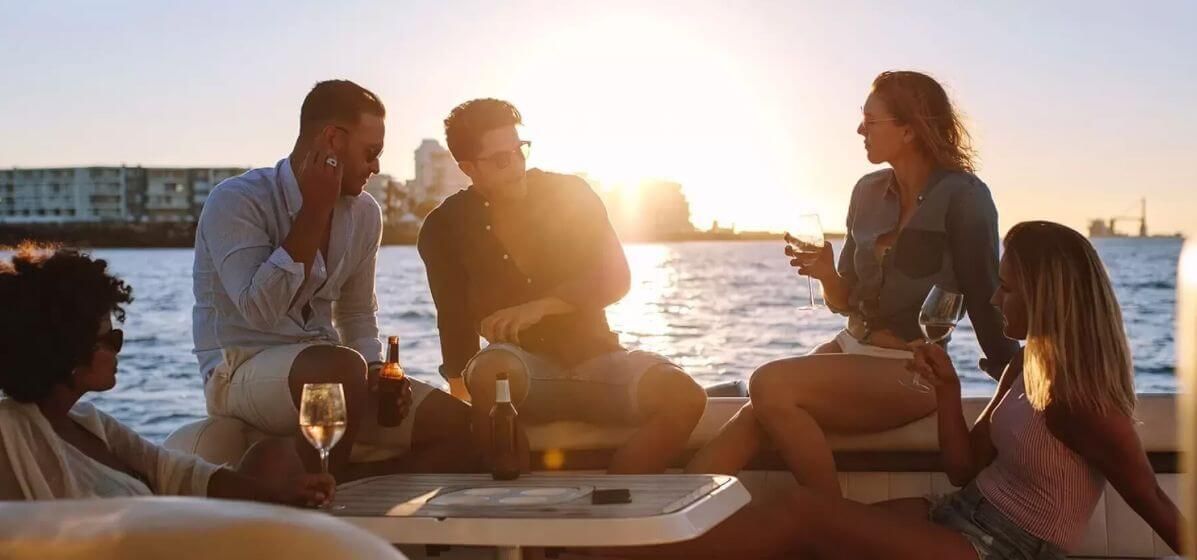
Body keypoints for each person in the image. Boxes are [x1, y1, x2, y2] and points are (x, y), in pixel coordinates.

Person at [612, 221, 1182, 559]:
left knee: (803, 514)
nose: (992, 299)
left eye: (1007, 289)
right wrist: (947, 390)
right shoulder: (1027, 367)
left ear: (1047, 296)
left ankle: (625, 555)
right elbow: (962, 467)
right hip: (961, 513)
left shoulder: (1083, 405)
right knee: (812, 537)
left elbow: (1154, 504)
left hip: (1003, 550)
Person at [688, 70, 1020, 495]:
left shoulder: (966, 197)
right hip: (850, 347)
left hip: (912, 369)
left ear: (908, 129)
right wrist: (827, 272)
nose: (860, 129)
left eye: (870, 120)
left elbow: (987, 303)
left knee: (768, 384)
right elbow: (845, 301)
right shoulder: (866, 192)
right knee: (760, 409)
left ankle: (833, 524)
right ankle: (666, 526)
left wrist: (1023, 383)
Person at [193, 80, 476, 480]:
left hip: (337, 375)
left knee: (468, 429)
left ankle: (354, 484)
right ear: (332, 141)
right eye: (371, 152)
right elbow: (260, 310)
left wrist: (378, 373)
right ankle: (320, 499)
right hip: (242, 370)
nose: (376, 166)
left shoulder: (365, 213)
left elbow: (357, 313)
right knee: (337, 369)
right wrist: (315, 211)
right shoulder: (237, 201)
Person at [418, 98, 707, 473]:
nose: (518, 166)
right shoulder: (444, 227)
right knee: (490, 370)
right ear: (468, 168)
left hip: (602, 360)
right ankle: (515, 508)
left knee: (686, 397)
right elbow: (453, 325)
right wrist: (465, 409)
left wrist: (540, 306)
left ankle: (616, 501)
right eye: (501, 160)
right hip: (519, 376)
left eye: (520, 150)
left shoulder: (570, 193)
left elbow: (616, 278)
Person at [0, 245, 332, 506]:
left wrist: (276, 495)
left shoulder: (88, 422)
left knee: (272, 456)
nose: (119, 348)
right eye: (110, 340)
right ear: (68, 351)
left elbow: (170, 471)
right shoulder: (10, 435)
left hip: (172, 537)